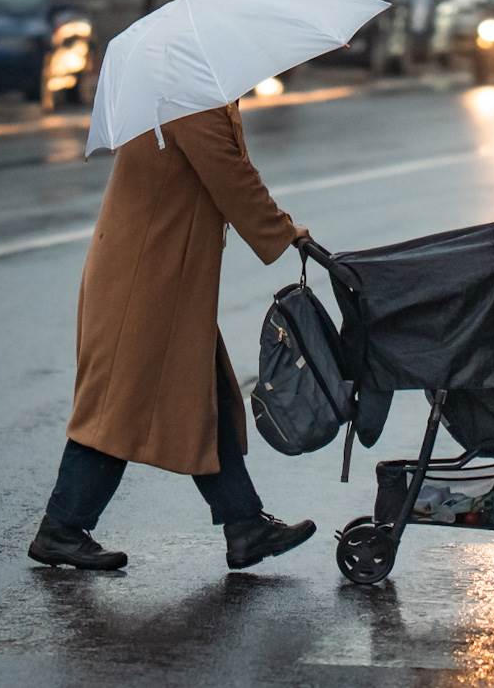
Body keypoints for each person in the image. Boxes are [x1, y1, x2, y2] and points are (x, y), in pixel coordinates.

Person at [28, 102, 314, 571]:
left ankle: (245, 525)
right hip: (144, 276)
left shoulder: (191, 94)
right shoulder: (191, 101)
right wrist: (284, 232)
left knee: (203, 393)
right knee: (118, 403)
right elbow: (229, 173)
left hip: (161, 274)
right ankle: (61, 527)